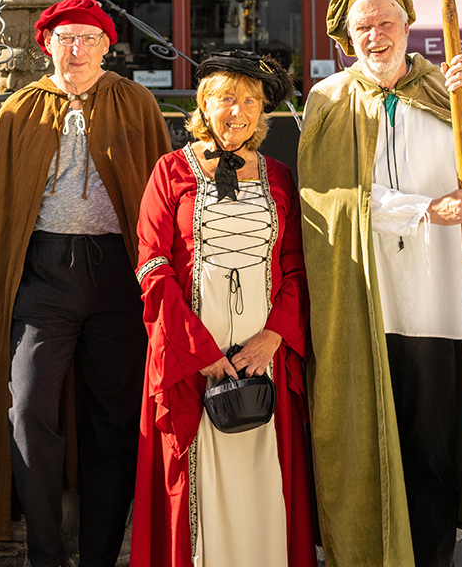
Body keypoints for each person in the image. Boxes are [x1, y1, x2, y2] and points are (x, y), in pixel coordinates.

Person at [298, 0, 462, 567]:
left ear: (407, 24)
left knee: (432, 448)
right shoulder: (328, 100)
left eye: (384, 23)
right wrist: (425, 209)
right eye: (361, 29)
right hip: (368, 298)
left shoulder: (444, 88)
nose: (374, 36)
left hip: (442, 300)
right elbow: (332, 200)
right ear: (346, 39)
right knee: (368, 440)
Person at [0, 0, 171, 567]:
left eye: (87, 38)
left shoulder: (136, 103)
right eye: (65, 39)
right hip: (42, 275)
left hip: (118, 276)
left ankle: (100, 557)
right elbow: (0, 208)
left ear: (107, 45)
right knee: (28, 407)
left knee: (115, 418)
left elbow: (157, 199)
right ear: (46, 45)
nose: (75, 49)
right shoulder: (20, 110)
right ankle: (47, 556)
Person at [131, 51, 316, 567]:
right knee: (197, 481)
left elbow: (299, 266)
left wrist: (274, 337)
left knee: (264, 476)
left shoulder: (280, 176)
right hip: (193, 361)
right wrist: (198, 351)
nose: (237, 111)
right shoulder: (170, 172)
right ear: (204, 105)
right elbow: (152, 266)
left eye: (250, 101)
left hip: (265, 360)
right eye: (226, 99)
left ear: (262, 113)